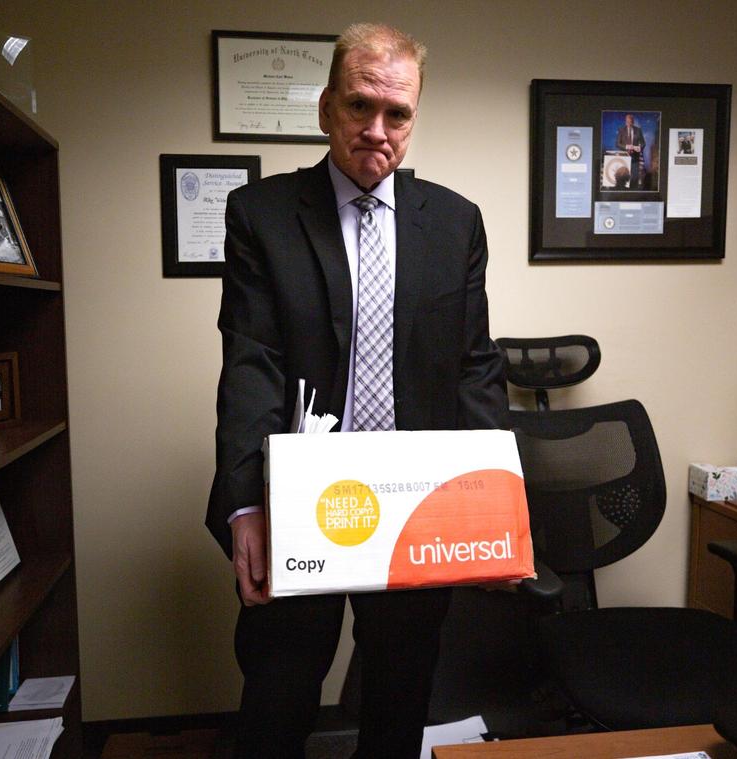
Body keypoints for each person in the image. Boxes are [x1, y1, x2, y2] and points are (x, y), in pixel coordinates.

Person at [206, 22, 506, 758]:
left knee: (399, 697)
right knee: (279, 693)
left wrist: (494, 502)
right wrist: (245, 502)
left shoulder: (456, 223)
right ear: (325, 108)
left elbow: (474, 366)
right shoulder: (262, 216)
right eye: (359, 106)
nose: (377, 130)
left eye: (397, 113)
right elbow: (251, 364)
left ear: (413, 117)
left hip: (414, 504)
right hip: (298, 498)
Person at [615, 113, 645, 189]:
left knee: (634, 179)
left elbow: (643, 143)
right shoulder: (621, 130)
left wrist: (639, 147)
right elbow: (617, 144)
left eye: (630, 122)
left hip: (635, 158)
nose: (628, 123)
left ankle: (634, 193)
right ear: (625, 121)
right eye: (627, 122)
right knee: (623, 178)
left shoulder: (638, 130)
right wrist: (626, 146)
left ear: (633, 122)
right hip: (624, 158)